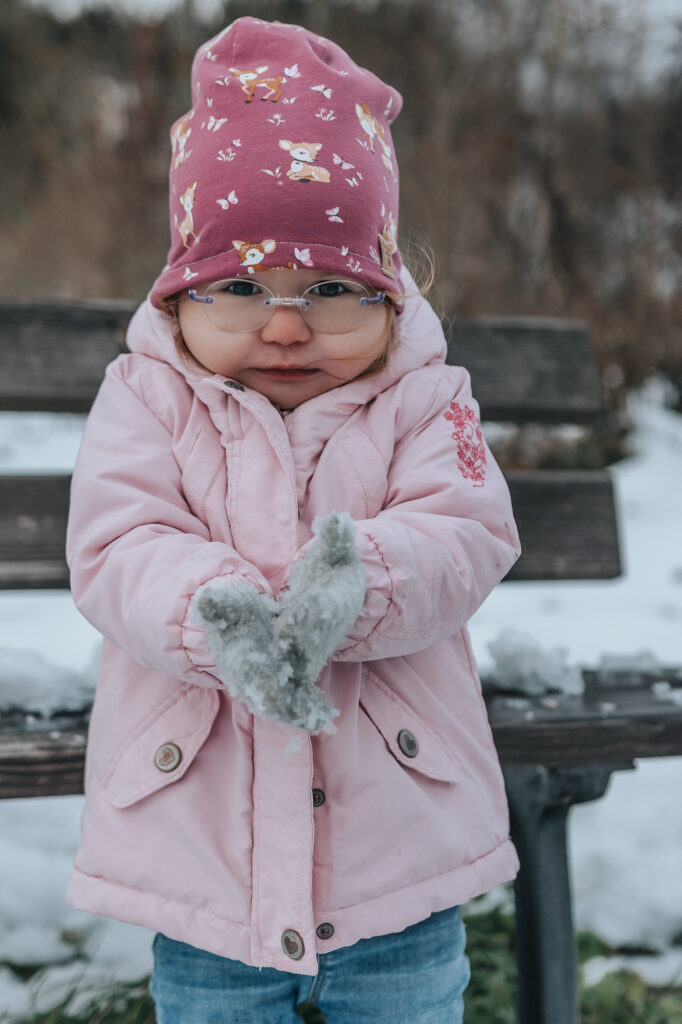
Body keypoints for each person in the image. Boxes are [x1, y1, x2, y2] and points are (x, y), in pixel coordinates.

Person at [65, 15, 522, 1024]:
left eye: (329, 289)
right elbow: (116, 542)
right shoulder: (147, 398)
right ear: (180, 294)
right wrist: (211, 608)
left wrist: (357, 584)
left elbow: (466, 531)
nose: (284, 323)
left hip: (393, 858)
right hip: (207, 869)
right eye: (238, 288)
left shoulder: (424, 399)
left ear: (391, 292)